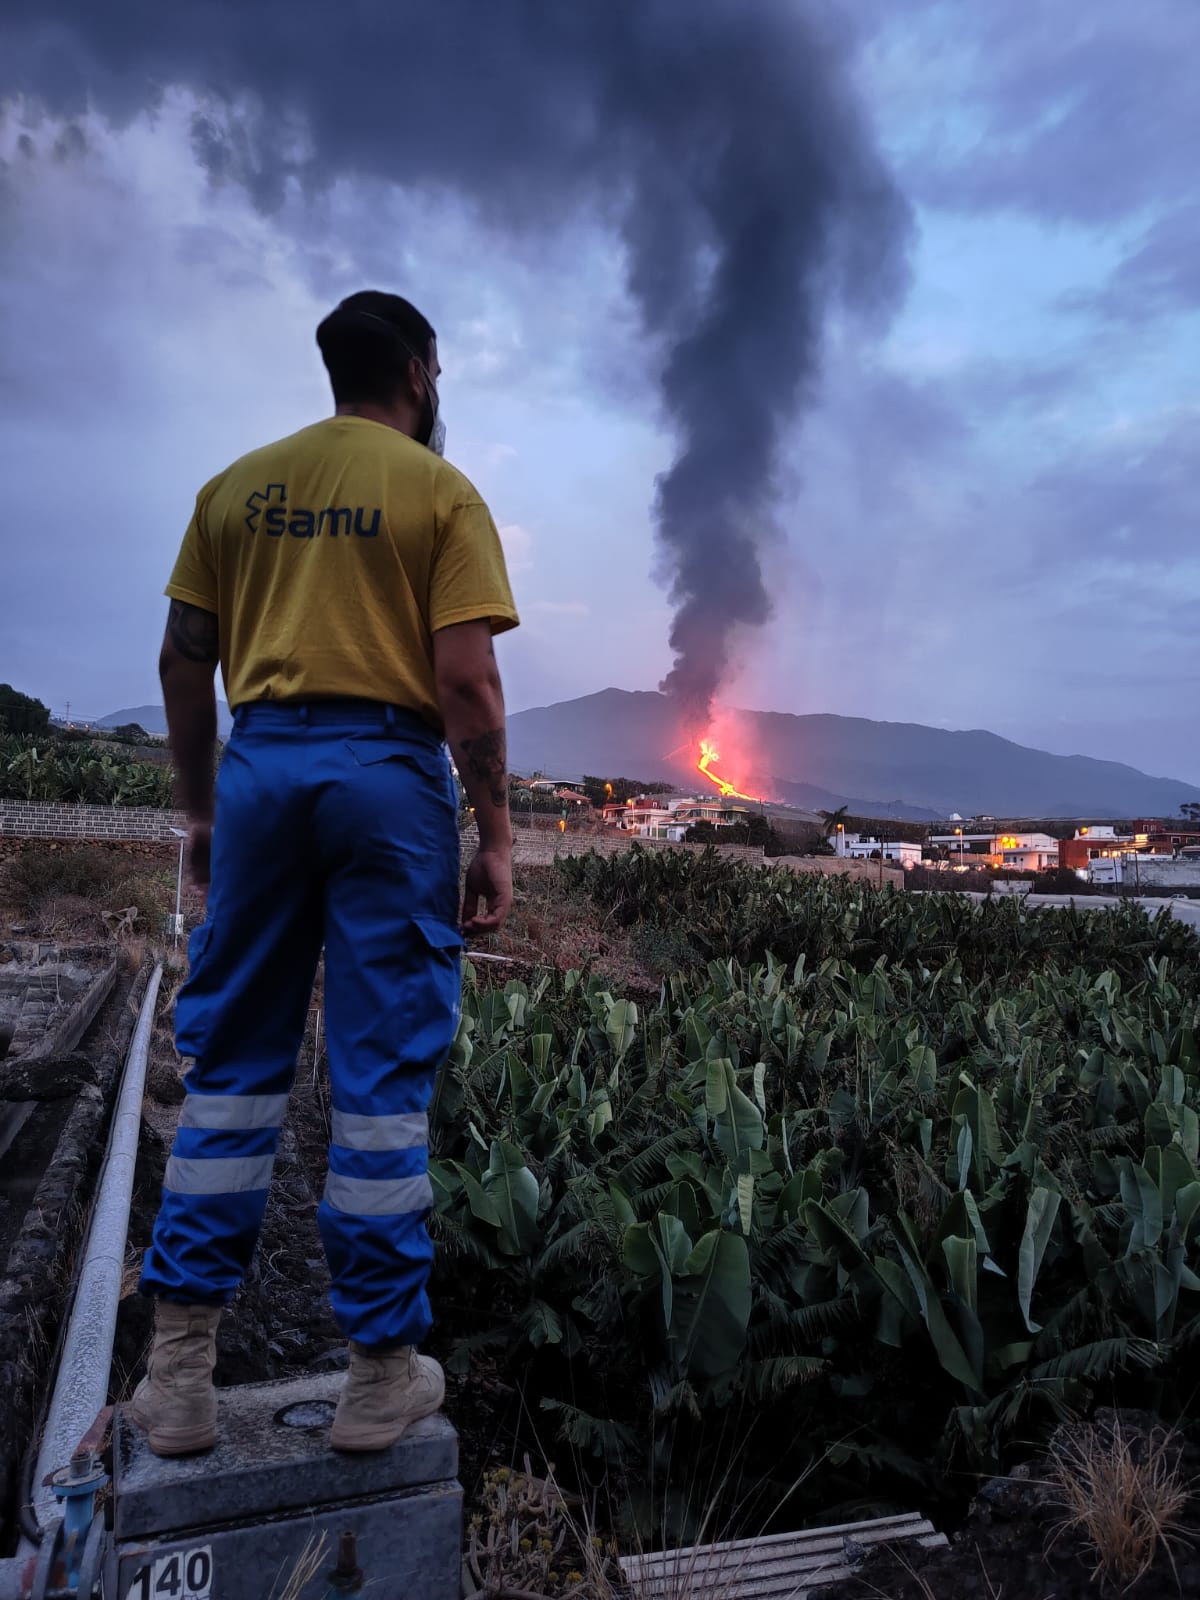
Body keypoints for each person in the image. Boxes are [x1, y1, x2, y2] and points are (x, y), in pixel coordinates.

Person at [130, 290, 519, 1457]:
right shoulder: (440, 492)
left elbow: (180, 662)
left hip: (262, 768)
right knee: (380, 1081)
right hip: (388, 781)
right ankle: (378, 1375)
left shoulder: (233, 490)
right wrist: (495, 832)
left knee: (233, 1068)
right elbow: (466, 687)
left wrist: (202, 808)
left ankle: (180, 1377)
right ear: (421, 371)